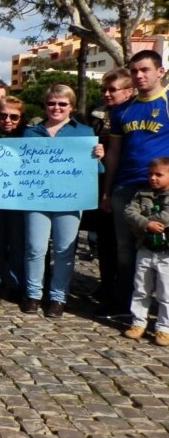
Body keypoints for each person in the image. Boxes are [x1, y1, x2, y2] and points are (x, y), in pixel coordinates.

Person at [19, 84, 103, 318]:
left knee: (65, 250)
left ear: (71, 107)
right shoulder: (31, 132)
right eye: (51, 103)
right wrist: (1, 155)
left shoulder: (84, 133)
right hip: (37, 199)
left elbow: (94, 171)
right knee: (35, 247)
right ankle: (33, 294)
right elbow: (19, 166)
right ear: (45, 105)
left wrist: (97, 157)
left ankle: (58, 297)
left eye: (62, 104)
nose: (56, 107)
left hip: (70, 199)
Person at [104, 51, 169, 316]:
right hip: (126, 186)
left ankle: (161, 306)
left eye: (145, 70)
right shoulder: (123, 111)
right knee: (125, 249)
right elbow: (114, 152)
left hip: (160, 189)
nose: (139, 75)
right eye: (134, 71)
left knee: (162, 247)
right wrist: (107, 191)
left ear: (160, 72)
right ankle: (126, 303)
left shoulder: (166, 103)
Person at [84, 68, 134, 313]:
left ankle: (124, 294)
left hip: (126, 183)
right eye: (104, 89)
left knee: (124, 245)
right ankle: (106, 285)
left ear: (129, 91)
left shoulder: (133, 115)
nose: (106, 94)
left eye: (112, 90)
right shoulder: (96, 114)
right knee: (105, 239)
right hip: (100, 185)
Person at [123, 157, 169, 345]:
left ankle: (164, 327)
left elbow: (166, 216)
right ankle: (138, 322)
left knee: (165, 291)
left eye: (159, 175)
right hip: (145, 247)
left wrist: (143, 221)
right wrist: (146, 223)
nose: (153, 178)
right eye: (150, 174)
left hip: (166, 252)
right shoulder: (142, 192)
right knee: (141, 287)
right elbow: (129, 211)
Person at [0, 96, 27, 300]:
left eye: (14, 116)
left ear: (21, 118)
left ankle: (14, 283)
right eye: (2, 115)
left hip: (20, 198)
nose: (7, 120)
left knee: (17, 242)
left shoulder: (29, 137)